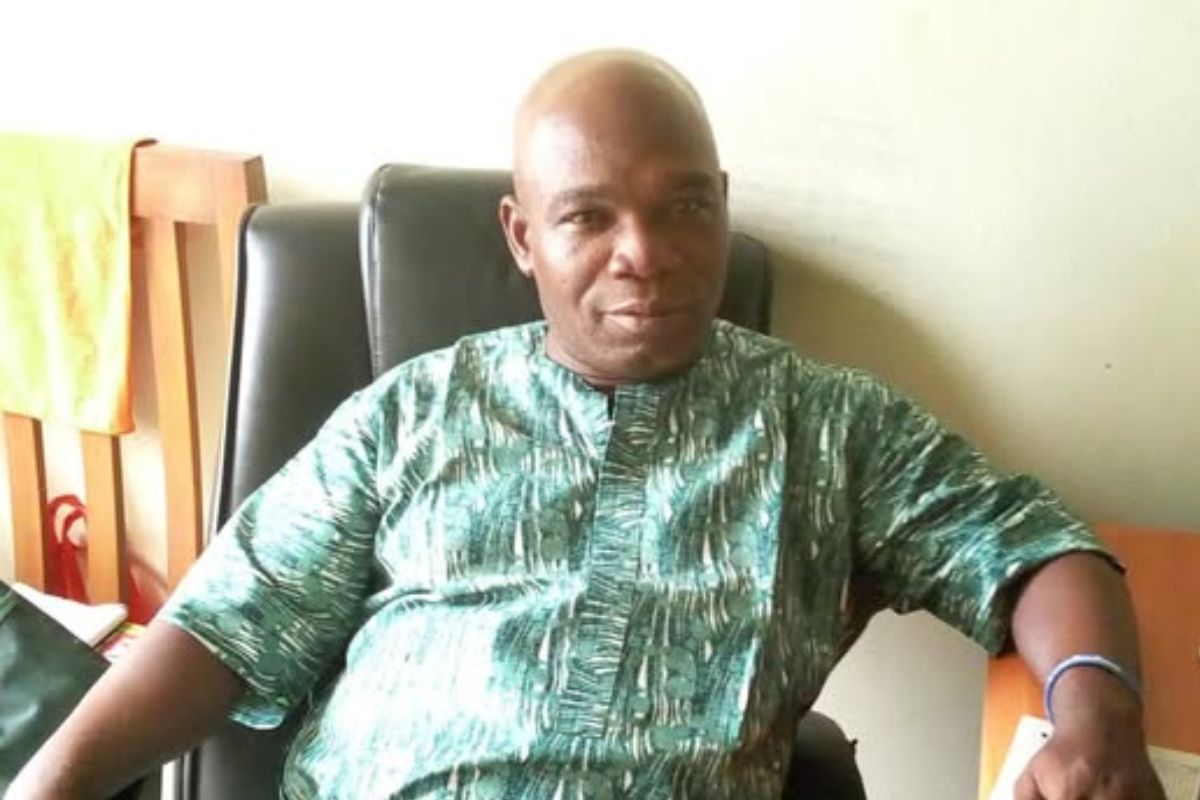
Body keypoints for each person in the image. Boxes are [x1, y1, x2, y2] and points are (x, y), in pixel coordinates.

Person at [9, 50, 1164, 800]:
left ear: (723, 204)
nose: (644, 254)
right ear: (523, 237)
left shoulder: (828, 424)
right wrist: (47, 788)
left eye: (684, 206)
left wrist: (1096, 710)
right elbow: (220, 626)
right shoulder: (412, 412)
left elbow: (1031, 543)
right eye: (588, 217)